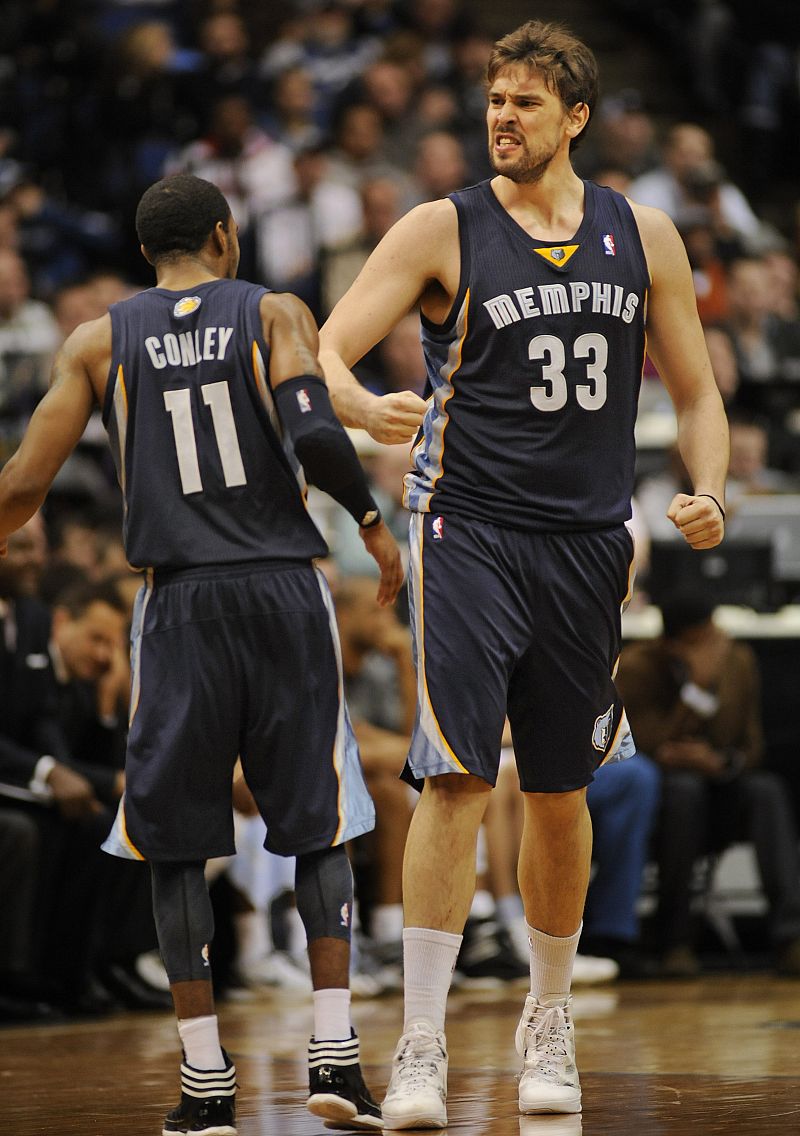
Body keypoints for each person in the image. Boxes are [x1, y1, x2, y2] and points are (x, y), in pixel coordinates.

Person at [318, 18, 729, 1125]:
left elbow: (694, 392)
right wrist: (359, 407)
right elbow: (322, 348)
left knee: (558, 788)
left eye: (525, 103)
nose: (501, 117)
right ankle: (416, 1041)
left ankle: (547, 1023)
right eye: (493, 100)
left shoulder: (640, 234)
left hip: (588, 541)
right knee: (453, 774)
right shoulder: (437, 226)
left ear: (575, 119)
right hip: (465, 528)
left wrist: (705, 483)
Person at [0, 172, 404, 1136]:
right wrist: (374, 526)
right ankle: (337, 1060)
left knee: (171, 838)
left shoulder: (97, 341)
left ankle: (205, 1082)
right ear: (225, 237)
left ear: (148, 255)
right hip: (281, 588)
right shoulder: (272, 311)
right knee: (319, 817)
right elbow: (314, 430)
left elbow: (22, 484)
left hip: (175, 603)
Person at [616, 589, 800, 978]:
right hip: (667, 798)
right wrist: (696, 689)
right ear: (671, 644)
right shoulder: (637, 667)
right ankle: (676, 941)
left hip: (722, 783)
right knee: (684, 792)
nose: (715, 647)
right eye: (702, 641)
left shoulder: (739, 661)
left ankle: (791, 937)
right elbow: (644, 748)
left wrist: (719, 762)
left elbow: (752, 747)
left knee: (767, 791)